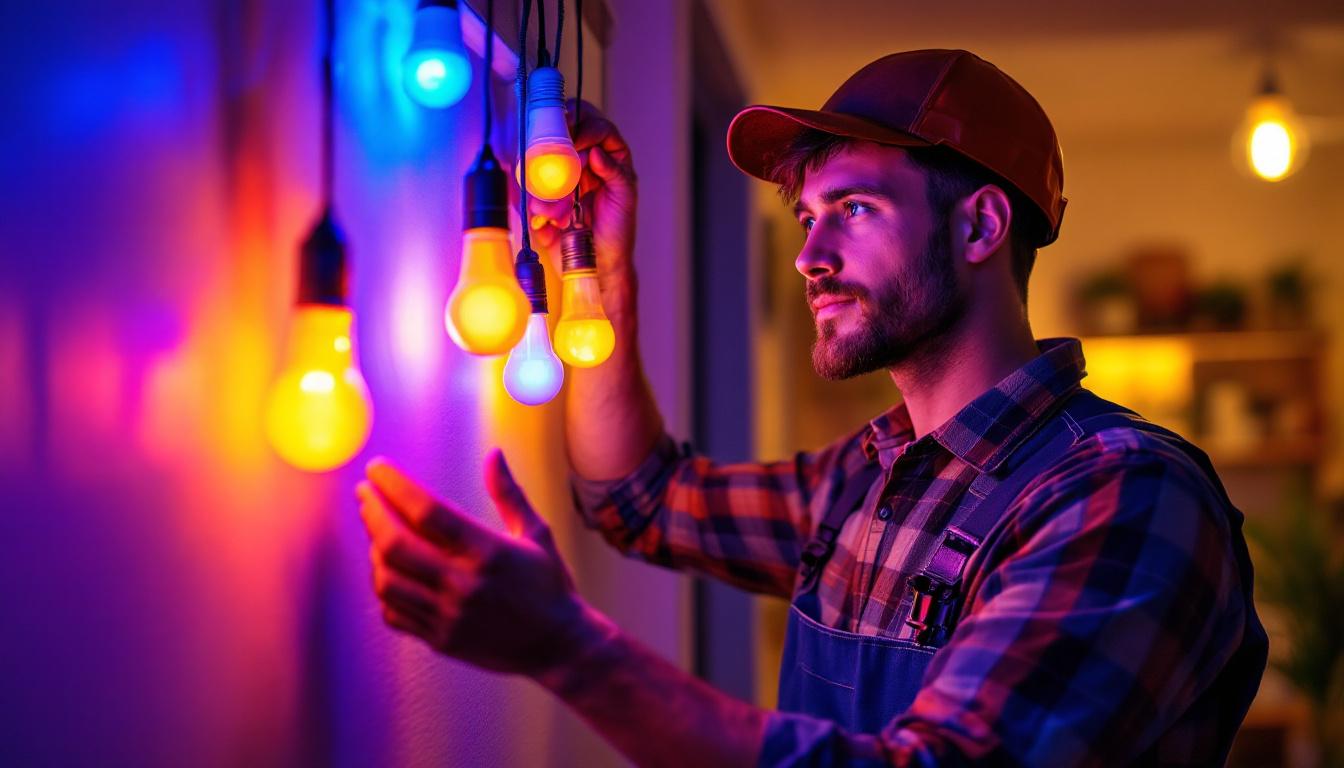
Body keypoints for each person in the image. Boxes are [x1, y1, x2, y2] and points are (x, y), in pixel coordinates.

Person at [355, 49, 1268, 766]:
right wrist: (595, 273)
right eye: (808, 217)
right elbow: (637, 498)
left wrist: (568, 650)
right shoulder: (865, 480)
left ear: (981, 226)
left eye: (857, 209)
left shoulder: (1124, 494)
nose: (809, 256)